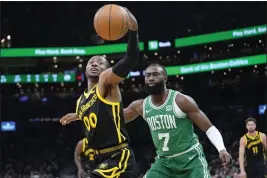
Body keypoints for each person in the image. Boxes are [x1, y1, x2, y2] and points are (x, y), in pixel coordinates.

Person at [60, 8, 139, 178]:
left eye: (100, 63)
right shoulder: (81, 101)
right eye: (91, 62)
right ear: (85, 69)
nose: (95, 64)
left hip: (118, 157)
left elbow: (131, 59)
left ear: (108, 69)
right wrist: (78, 115)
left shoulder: (106, 81)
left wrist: (133, 30)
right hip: (99, 159)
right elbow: (98, 114)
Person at [123, 63, 232, 178]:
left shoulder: (181, 101)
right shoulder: (141, 106)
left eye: (155, 74)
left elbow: (209, 128)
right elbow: (115, 117)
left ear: (165, 78)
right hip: (164, 163)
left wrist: (222, 149)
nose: (151, 78)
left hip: (190, 160)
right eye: (148, 75)